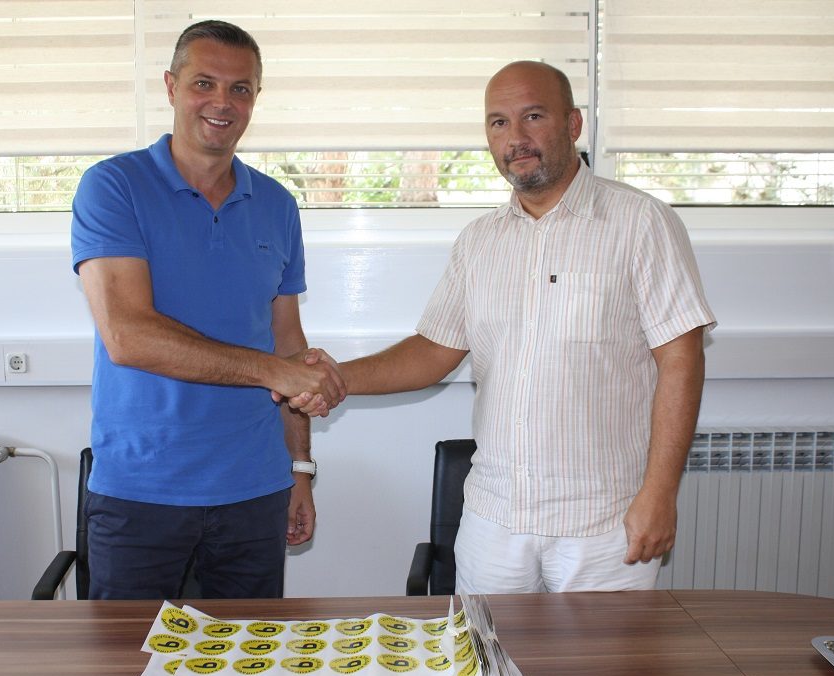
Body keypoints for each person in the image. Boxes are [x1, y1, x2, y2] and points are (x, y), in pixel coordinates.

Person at [293, 61, 717, 593]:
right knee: (487, 649)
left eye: (532, 116)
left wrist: (660, 493)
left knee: (601, 652)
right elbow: (433, 351)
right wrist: (336, 378)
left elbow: (681, 359)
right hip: (493, 521)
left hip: (605, 524)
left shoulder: (641, 222)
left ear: (573, 124)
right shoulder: (479, 240)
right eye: (498, 122)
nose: (515, 137)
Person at [70, 20, 345, 599]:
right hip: (141, 491)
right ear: (171, 86)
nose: (222, 102)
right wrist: (273, 371)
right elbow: (128, 335)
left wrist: (300, 468)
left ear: (255, 98)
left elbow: (288, 345)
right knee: (128, 649)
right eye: (204, 83)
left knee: (254, 648)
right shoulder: (114, 186)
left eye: (240, 88)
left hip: (256, 490)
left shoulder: (277, 204)